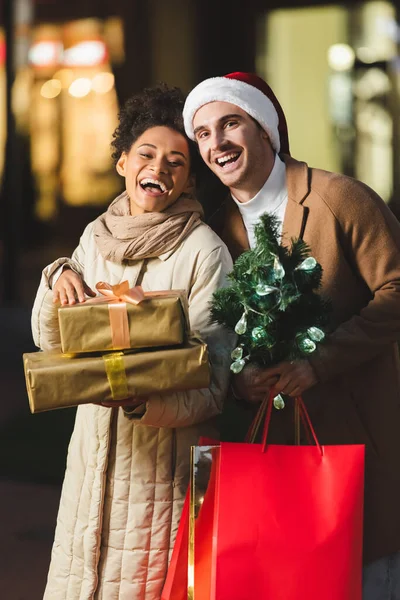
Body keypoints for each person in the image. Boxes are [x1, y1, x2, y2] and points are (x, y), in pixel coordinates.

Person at [183, 71, 400, 599]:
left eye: (230, 123)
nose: (218, 143)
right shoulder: (214, 234)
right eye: (204, 134)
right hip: (272, 457)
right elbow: (217, 336)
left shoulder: (339, 198)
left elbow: (396, 288)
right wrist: (239, 381)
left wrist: (319, 361)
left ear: (264, 129)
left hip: (358, 443)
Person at [31, 84, 234, 600]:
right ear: (123, 162)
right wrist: (58, 282)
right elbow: (52, 343)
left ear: (190, 178)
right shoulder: (95, 237)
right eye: (147, 154)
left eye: (177, 162)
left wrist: (146, 401)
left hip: (161, 479)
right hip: (88, 472)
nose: (159, 170)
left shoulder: (204, 252)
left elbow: (215, 382)